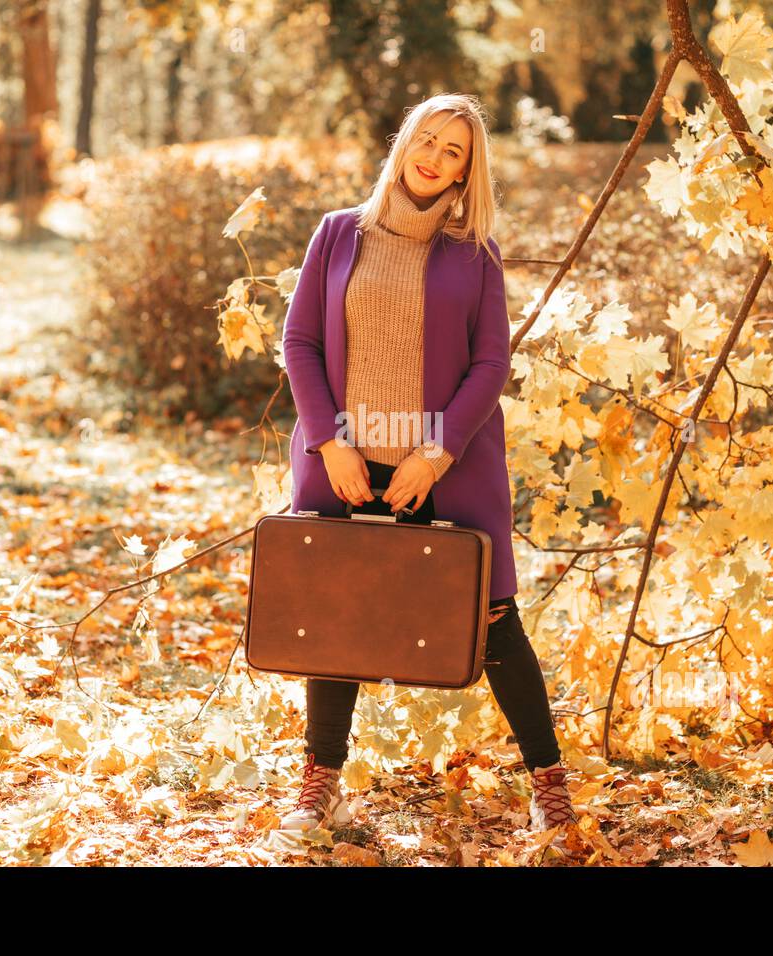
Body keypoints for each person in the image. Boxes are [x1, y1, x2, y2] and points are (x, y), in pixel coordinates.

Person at [277, 93, 576, 837]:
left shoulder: (473, 254)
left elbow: (490, 362)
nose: (436, 159)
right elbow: (300, 343)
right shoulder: (338, 234)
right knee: (334, 620)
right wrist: (331, 440)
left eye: (455, 152)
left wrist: (435, 452)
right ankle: (320, 789)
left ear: (467, 172)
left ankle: (549, 786)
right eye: (428, 141)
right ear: (405, 140)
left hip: (447, 464)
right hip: (342, 461)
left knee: (494, 618)